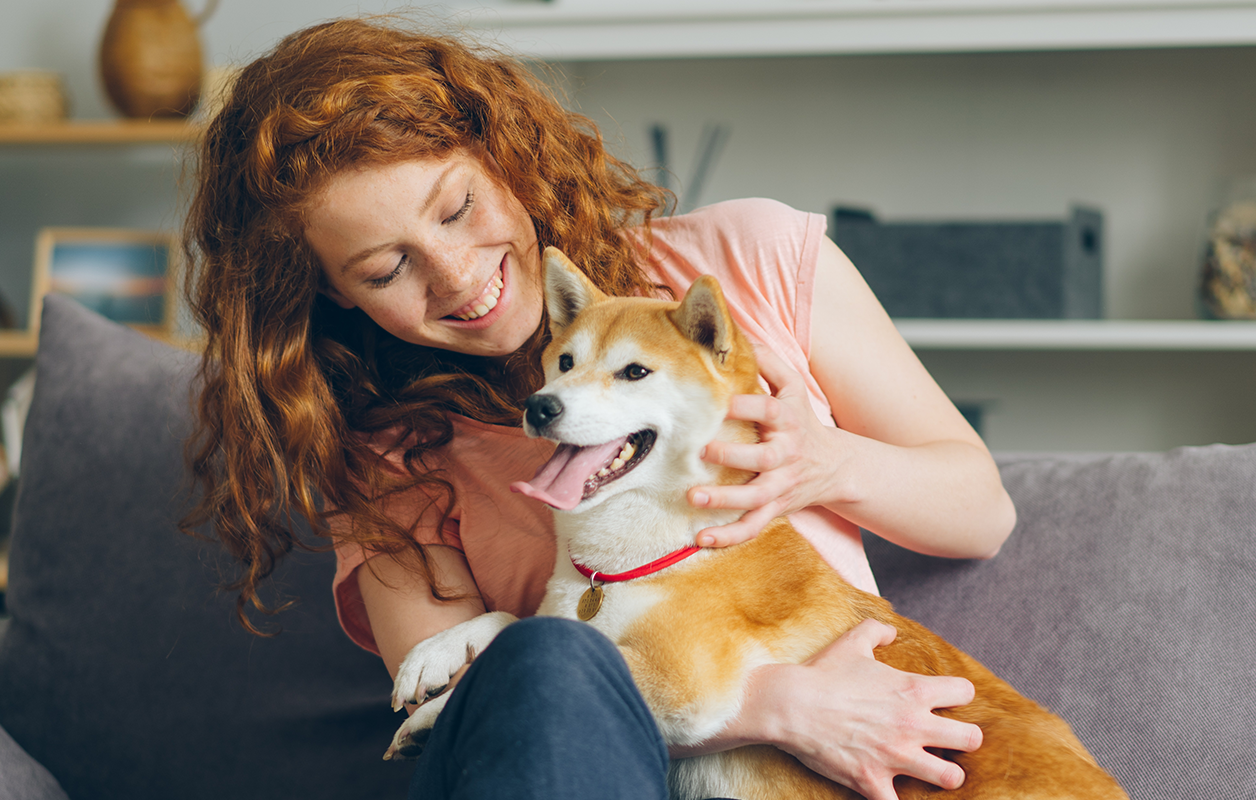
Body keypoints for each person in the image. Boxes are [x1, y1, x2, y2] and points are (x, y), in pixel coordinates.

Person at [182, 17, 1017, 800]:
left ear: (503, 155)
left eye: (458, 208)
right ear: (331, 300)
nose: (456, 273)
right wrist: (779, 709)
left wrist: (828, 463)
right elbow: (486, 716)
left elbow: (980, 513)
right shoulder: (388, 453)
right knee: (546, 655)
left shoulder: (745, 261)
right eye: (384, 268)